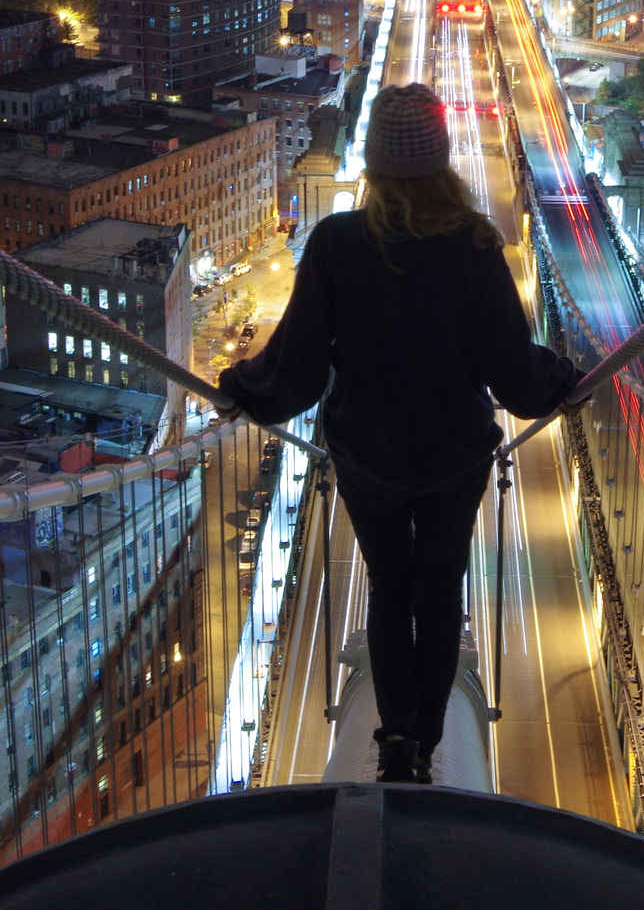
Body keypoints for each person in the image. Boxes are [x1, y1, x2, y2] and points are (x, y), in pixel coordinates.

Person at [216, 84, 582, 784]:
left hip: (368, 453)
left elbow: (296, 368)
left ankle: (393, 739)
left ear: (375, 167)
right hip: (453, 453)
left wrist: (242, 388)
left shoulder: (336, 244)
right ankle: (424, 742)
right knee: (440, 590)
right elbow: (513, 371)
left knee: (389, 587)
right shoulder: (475, 246)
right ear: (442, 163)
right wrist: (563, 381)